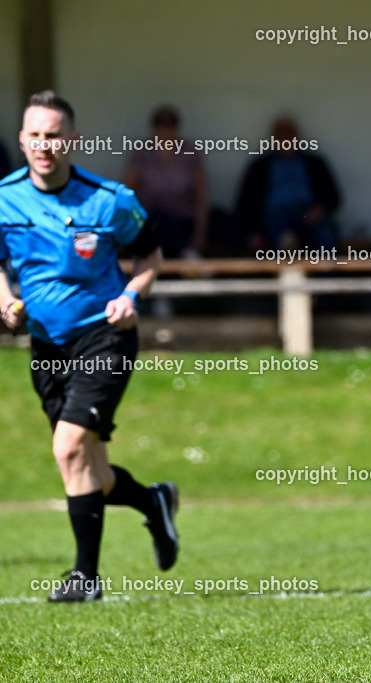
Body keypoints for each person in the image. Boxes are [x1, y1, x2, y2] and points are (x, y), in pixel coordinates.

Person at [0, 91, 179, 602]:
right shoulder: (4, 198)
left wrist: (129, 295)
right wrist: (6, 297)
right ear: (21, 138)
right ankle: (153, 502)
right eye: (35, 134)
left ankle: (85, 577)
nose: (44, 145)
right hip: (46, 346)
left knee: (68, 448)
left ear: (72, 140)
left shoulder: (110, 200)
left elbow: (151, 257)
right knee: (91, 472)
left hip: (105, 337)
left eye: (54, 135)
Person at [236, 116, 342, 251]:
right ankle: (288, 270)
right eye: (281, 134)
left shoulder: (315, 163)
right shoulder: (259, 166)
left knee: (325, 235)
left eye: (289, 133)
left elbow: (335, 197)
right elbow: (244, 205)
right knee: (281, 236)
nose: (285, 138)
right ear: (273, 138)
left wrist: (320, 209)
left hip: (307, 214)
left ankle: (327, 272)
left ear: (297, 137)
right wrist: (252, 231)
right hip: (274, 217)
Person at [123, 105, 209, 258]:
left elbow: (201, 197)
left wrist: (199, 233)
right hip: (152, 222)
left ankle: (187, 255)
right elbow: (127, 194)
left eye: (170, 124)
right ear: (153, 127)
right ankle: (187, 255)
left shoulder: (190, 153)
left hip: (183, 221)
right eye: (160, 124)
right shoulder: (142, 154)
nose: (165, 129)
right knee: (159, 219)